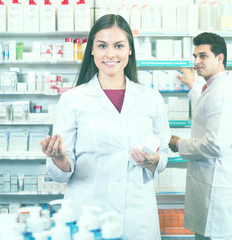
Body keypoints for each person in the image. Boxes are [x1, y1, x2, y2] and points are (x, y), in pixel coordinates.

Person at [40, 14, 170, 239]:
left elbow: (164, 154)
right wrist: (59, 157)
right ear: (91, 50)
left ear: (130, 50)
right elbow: (60, 173)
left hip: (136, 216)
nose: (110, 54)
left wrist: (154, 160)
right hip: (89, 215)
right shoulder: (73, 99)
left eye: (119, 46)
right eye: (102, 46)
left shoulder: (151, 98)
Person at [169, 32, 232, 240]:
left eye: (203, 56)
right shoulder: (213, 88)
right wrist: (193, 86)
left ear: (220, 58)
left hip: (216, 185)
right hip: (208, 181)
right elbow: (206, 109)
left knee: (214, 236)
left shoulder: (222, 92)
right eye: (195, 56)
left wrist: (179, 144)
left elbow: (215, 145)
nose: (196, 62)